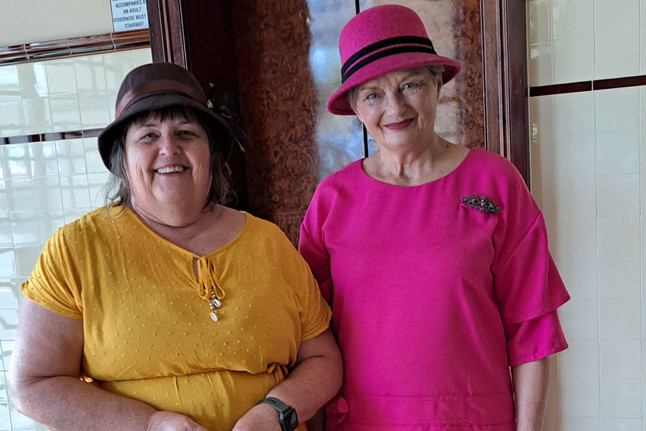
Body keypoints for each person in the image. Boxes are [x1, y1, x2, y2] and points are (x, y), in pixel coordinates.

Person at [9, 62, 343, 431]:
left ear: (211, 154)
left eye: (185, 133)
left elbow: (323, 358)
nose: (169, 149)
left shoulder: (269, 243)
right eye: (148, 136)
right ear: (123, 158)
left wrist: (277, 411)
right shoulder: (75, 250)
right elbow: (33, 385)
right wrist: (150, 424)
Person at [298, 5, 569, 431]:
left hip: (476, 422)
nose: (395, 108)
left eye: (409, 85)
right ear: (354, 105)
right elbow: (306, 335)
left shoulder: (496, 183)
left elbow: (532, 330)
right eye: (373, 94)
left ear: (437, 83)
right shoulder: (333, 201)